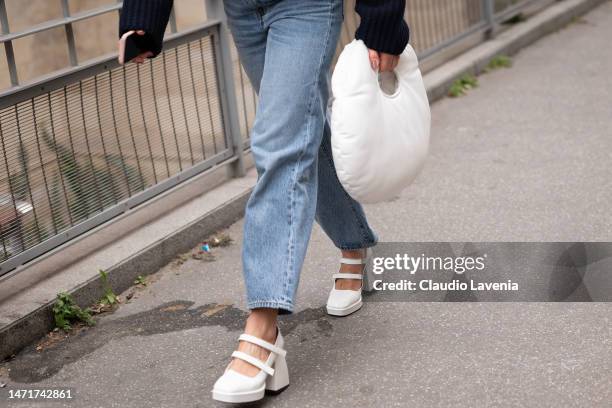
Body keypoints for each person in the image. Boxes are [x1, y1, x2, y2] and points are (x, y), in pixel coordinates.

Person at [118, 0, 409, 403]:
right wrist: (143, 16)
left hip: (306, 6)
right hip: (241, 10)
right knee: (303, 131)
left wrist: (382, 17)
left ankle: (262, 329)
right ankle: (353, 243)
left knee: (279, 147)